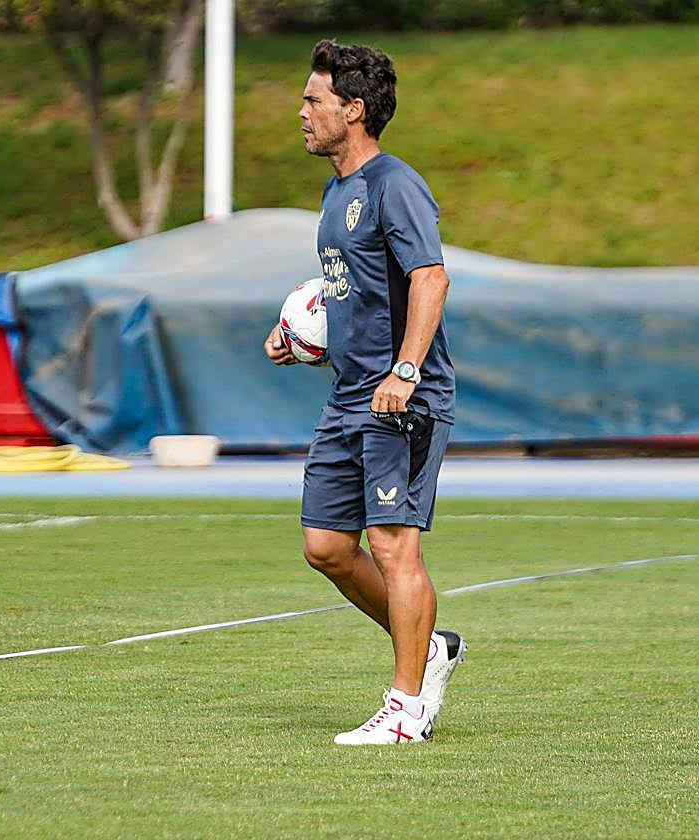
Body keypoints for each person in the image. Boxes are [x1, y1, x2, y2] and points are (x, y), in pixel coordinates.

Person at [264, 40, 465, 745]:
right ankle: (430, 647)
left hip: (399, 399)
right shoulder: (337, 192)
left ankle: (406, 710)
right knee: (325, 546)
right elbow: (351, 292)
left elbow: (430, 279)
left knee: (392, 546)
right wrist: (299, 339)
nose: (302, 112)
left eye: (314, 100)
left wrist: (405, 372)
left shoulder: (393, 184)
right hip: (348, 395)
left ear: (353, 110)